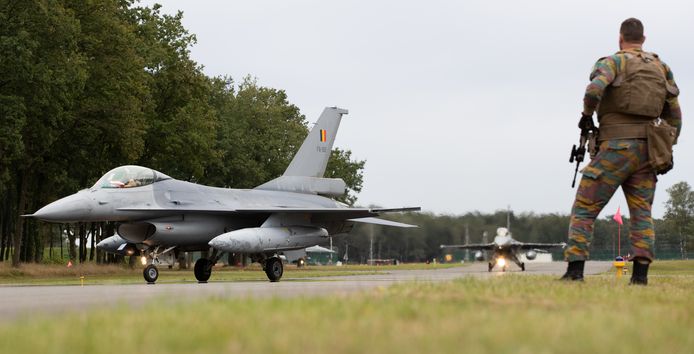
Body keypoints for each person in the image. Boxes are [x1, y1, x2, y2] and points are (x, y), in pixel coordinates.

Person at [561, 18, 682, 285]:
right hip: (648, 152)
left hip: (615, 149)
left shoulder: (614, 62)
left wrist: (586, 115)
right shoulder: (662, 68)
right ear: (644, 39)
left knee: (584, 207)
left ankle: (575, 273)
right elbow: (675, 115)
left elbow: (594, 90)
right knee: (642, 214)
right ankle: (640, 278)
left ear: (620, 38)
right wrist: (666, 148)